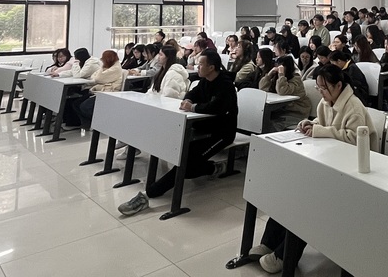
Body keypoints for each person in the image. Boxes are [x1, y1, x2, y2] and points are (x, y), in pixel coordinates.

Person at [251, 64, 378, 273]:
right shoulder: (327, 101)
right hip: (329, 164)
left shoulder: (353, 106)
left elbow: (354, 139)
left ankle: (284, 256)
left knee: (307, 203)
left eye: (324, 88)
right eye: (318, 87)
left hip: (353, 172)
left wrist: (320, 130)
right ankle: (269, 242)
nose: (320, 91)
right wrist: (309, 124)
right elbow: (322, 121)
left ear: (339, 85)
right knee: (290, 194)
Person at [118, 50, 237, 216]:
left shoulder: (225, 85)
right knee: (185, 160)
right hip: (202, 128)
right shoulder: (205, 81)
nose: (197, 67)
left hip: (222, 133)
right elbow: (193, 93)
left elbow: (217, 107)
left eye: (201, 64)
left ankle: (149, 194)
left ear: (211, 67)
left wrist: (193, 107)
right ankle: (212, 168)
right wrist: (188, 99)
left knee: (187, 165)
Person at [66, 49, 124, 129]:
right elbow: (93, 76)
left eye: (103, 58)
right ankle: (87, 123)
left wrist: (102, 68)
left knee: (85, 106)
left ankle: (98, 122)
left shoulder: (115, 68)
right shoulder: (107, 67)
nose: (101, 60)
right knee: (76, 103)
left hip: (108, 93)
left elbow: (98, 78)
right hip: (98, 90)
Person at [259, 55, 310, 130]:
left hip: (296, 112)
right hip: (281, 111)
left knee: (273, 124)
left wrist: (281, 74)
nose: (278, 68)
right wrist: (270, 74)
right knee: (261, 119)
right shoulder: (278, 78)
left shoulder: (296, 79)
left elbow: (282, 91)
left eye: (281, 66)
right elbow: (262, 88)